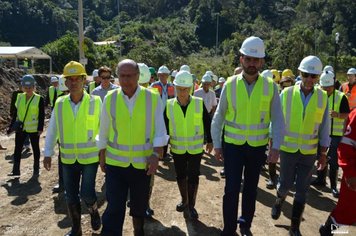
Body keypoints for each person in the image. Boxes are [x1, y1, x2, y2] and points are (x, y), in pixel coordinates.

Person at [211, 36, 284, 236]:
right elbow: (218, 117)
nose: (252, 64)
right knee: (231, 189)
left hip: (257, 147)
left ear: (261, 62)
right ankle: (229, 228)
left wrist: (276, 148)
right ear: (241, 59)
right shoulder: (230, 84)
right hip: (233, 146)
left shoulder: (270, 87)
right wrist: (217, 144)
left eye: (256, 60)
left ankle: (245, 225)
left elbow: (278, 120)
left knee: (251, 190)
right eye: (248, 59)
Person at [97, 59, 168, 236]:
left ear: (138, 76)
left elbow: (160, 129)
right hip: (115, 165)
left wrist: (156, 154)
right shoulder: (110, 99)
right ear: (117, 77)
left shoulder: (152, 97)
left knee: (138, 207)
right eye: (122, 76)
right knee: (114, 207)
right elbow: (103, 129)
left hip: (141, 165)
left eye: (130, 76)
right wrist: (102, 153)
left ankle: (139, 231)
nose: (126, 80)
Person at [271, 55, 330, 236]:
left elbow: (325, 125)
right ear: (299, 73)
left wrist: (323, 153)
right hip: (288, 150)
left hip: (309, 152)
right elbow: (277, 121)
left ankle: (294, 227)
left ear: (318, 77)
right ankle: (279, 200)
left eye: (314, 76)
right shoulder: (286, 94)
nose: (309, 80)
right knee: (285, 184)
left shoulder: (322, 97)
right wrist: (273, 145)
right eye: (306, 75)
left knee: (302, 191)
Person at [43, 61, 102, 235]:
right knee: (70, 195)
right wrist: (47, 153)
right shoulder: (60, 104)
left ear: (84, 80)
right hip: (68, 159)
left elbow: (105, 129)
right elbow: (52, 129)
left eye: (78, 78)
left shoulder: (96, 102)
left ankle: (93, 210)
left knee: (87, 193)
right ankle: (76, 229)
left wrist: (106, 153)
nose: (74, 82)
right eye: (70, 79)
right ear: (65, 82)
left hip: (90, 158)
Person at [164, 71, 213, 219]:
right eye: (179, 89)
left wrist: (210, 140)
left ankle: (191, 205)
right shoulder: (169, 105)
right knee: (180, 175)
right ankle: (184, 199)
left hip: (195, 149)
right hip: (177, 148)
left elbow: (207, 122)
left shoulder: (198, 103)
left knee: (193, 176)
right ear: (175, 88)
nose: (182, 92)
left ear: (190, 88)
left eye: (185, 89)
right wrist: (163, 147)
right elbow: (165, 127)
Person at [311, 71, 350, 198]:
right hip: (320, 133)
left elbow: (347, 115)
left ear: (333, 85)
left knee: (333, 161)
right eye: (323, 87)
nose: (326, 90)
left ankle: (333, 186)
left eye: (328, 87)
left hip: (335, 135)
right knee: (320, 157)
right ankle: (320, 180)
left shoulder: (340, 97)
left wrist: (337, 115)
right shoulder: (317, 94)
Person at [319, 109, 356, 236]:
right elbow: (346, 145)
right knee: (346, 215)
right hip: (354, 177)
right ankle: (328, 232)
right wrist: (351, 173)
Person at [8, 75, 45, 176]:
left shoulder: (39, 99)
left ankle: (36, 169)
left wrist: (40, 128)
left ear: (34, 87)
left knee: (35, 148)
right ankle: (15, 170)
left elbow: (42, 114)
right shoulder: (19, 97)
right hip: (21, 128)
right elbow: (16, 113)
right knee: (17, 149)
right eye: (26, 87)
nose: (28, 89)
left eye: (30, 87)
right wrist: (11, 126)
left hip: (34, 129)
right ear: (22, 87)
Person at [52, 75, 70, 194]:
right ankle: (62, 182)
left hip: (79, 136)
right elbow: (55, 119)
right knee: (62, 159)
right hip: (63, 135)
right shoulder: (59, 99)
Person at [9, 77, 31, 151]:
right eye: (19, 84)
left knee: (26, 129)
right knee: (18, 129)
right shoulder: (15, 93)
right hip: (17, 115)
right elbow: (13, 103)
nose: (20, 85)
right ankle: (20, 145)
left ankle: (27, 144)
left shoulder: (28, 93)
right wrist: (11, 112)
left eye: (21, 84)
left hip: (27, 115)